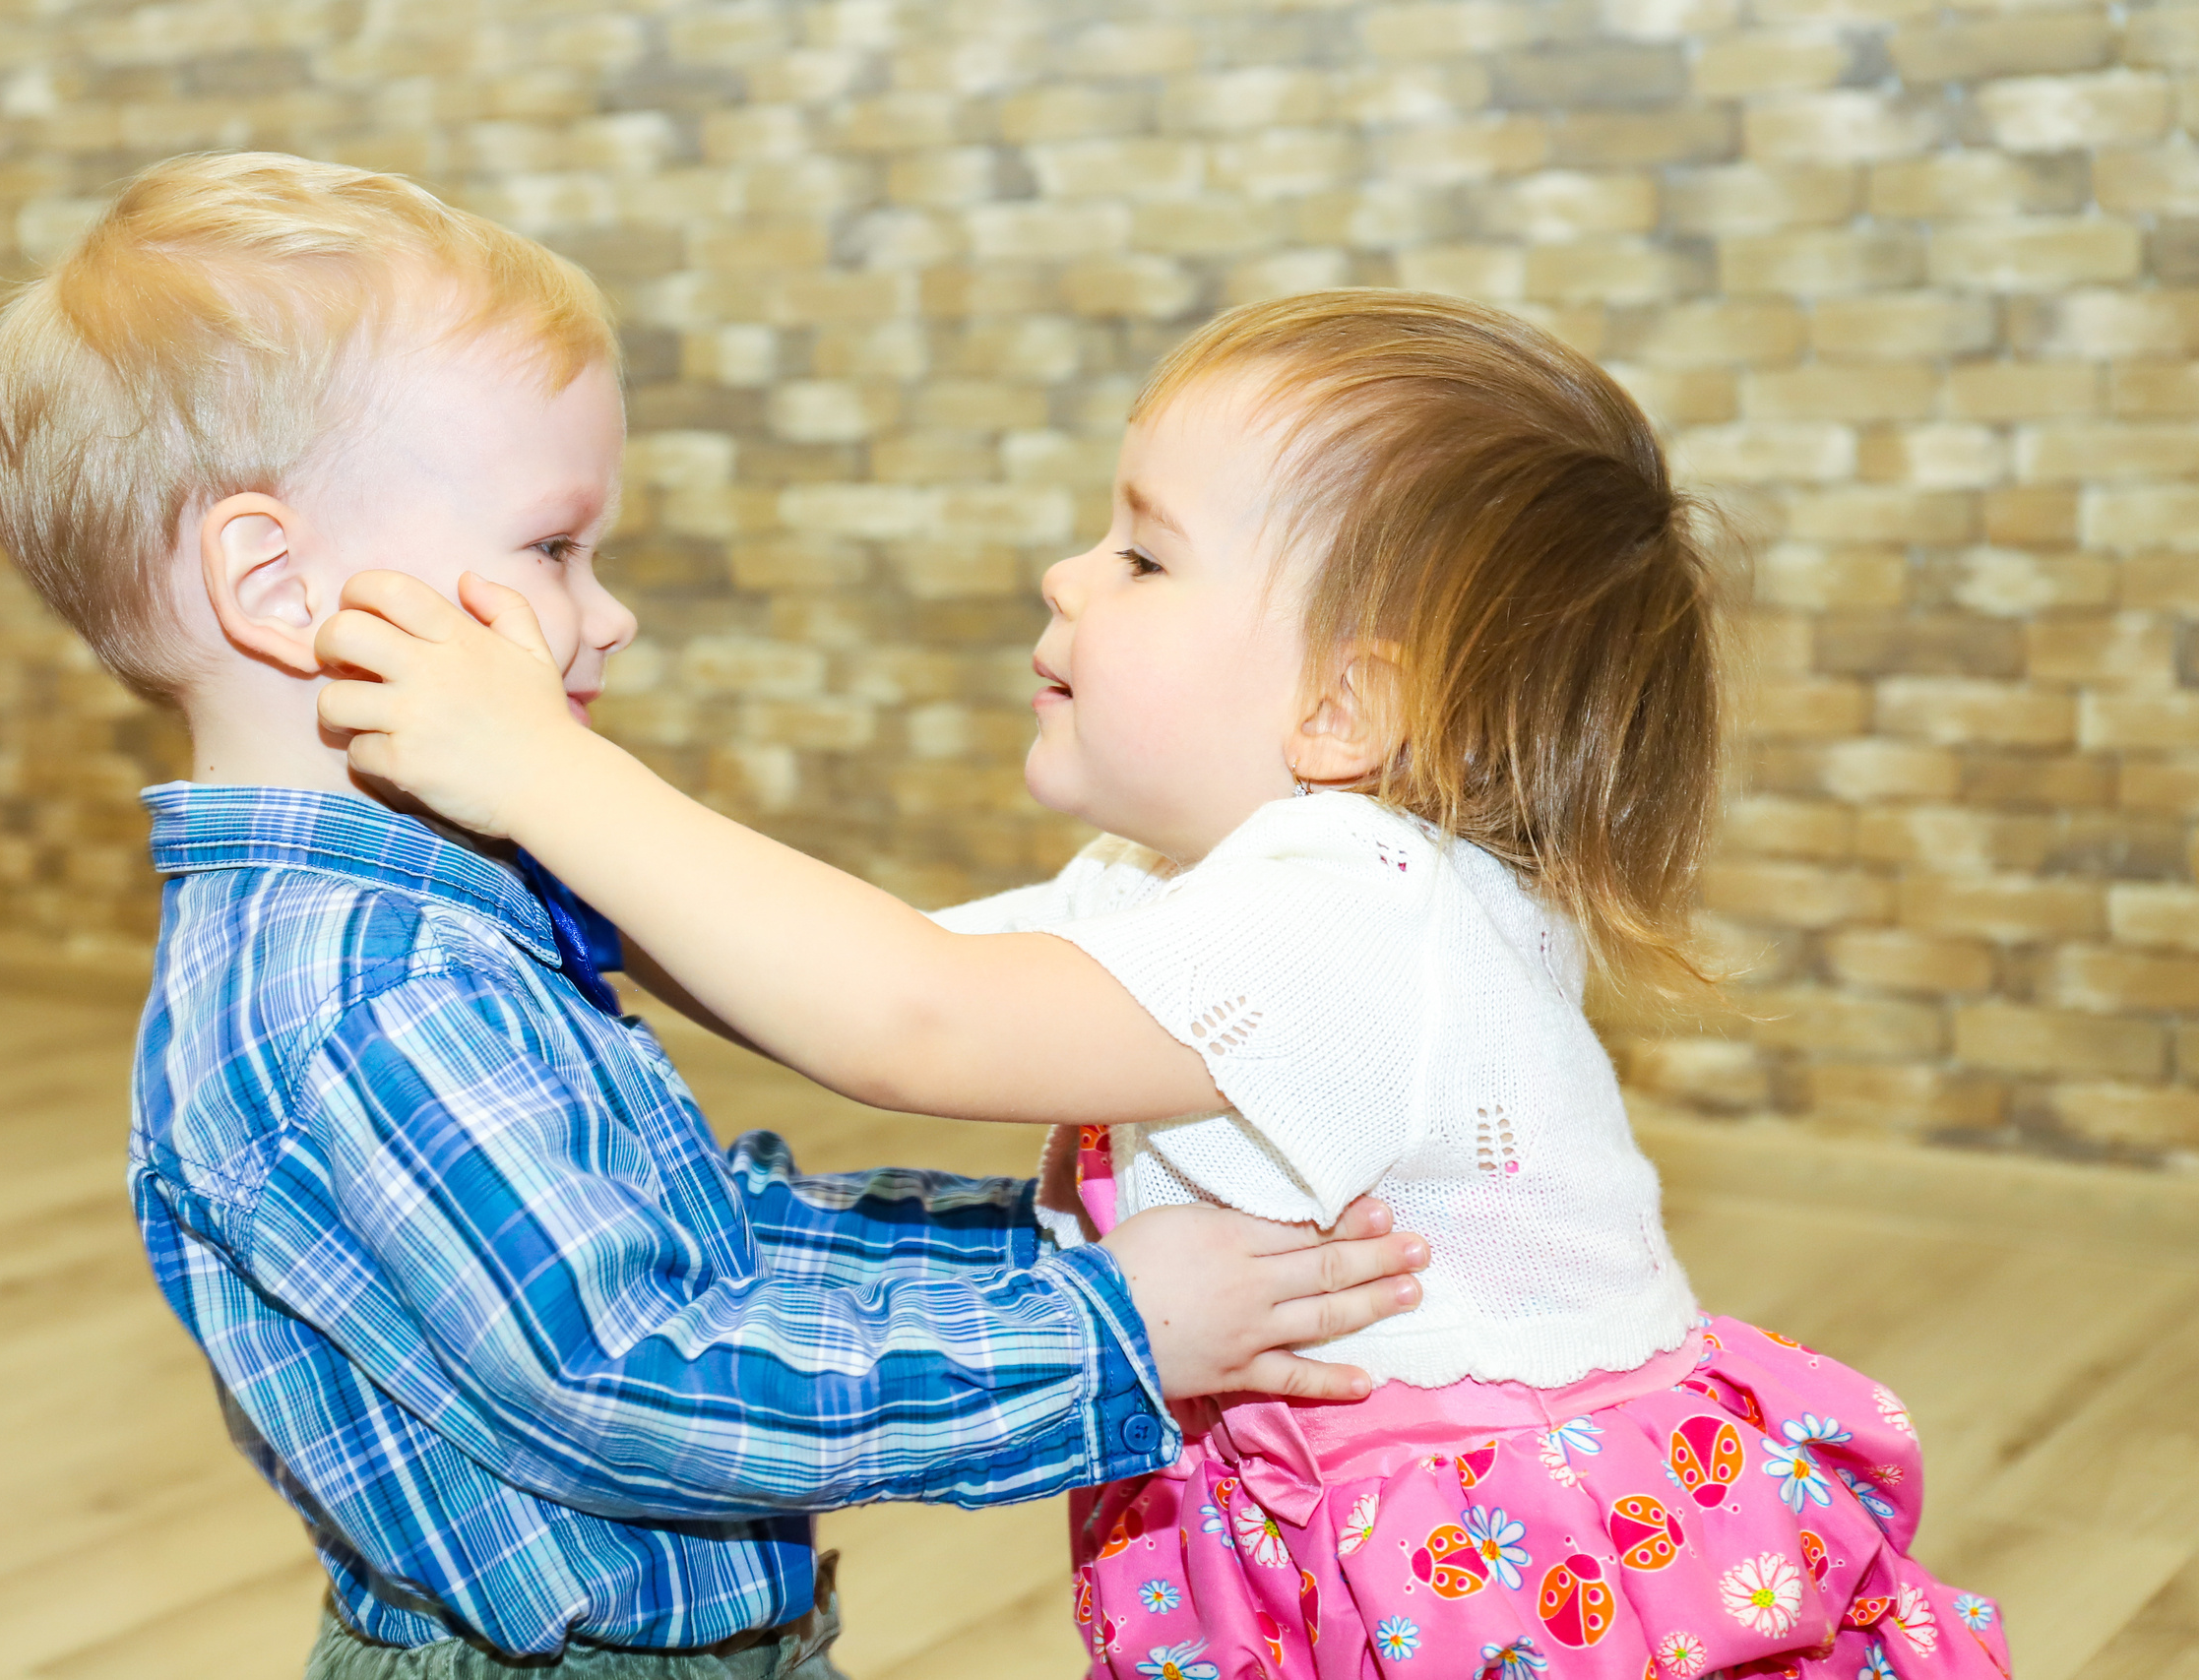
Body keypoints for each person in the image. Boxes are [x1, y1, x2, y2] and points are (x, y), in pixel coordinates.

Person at [311, 290, 2014, 1679]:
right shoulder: (1192, 891)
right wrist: (529, 863)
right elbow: (844, 983)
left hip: (1502, 1583)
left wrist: (543, 774)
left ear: (1343, 711)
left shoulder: (1361, 914)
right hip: (1341, 1523)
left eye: (1142, 555)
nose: (1069, 576)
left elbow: (907, 1022)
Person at [0, 156, 1436, 1680]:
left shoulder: (439, 919)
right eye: (554, 548)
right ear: (277, 585)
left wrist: (1041, 1244)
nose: (611, 614)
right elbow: (624, 1379)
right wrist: (1097, 1336)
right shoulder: (365, 996)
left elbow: (695, 1245)